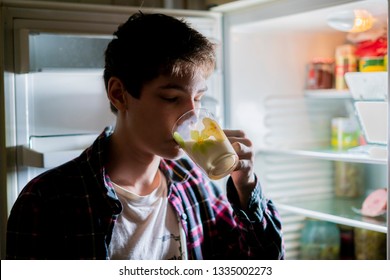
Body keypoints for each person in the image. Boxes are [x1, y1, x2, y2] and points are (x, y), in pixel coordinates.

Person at [6, 12, 284, 260]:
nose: (192, 117)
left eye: (198, 98)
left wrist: (246, 188)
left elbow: (263, 263)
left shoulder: (195, 184)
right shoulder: (47, 200)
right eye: (171, 98)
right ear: (119, 94)